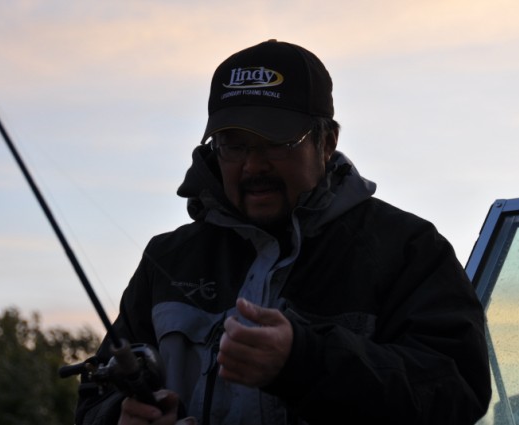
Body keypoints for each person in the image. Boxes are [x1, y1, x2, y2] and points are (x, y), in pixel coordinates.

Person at [75, 39, 491, 425]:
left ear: (327, 142)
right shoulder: (166, 258)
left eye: (276, 142)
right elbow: (93, 399)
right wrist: (119, 417)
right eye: (234, 144)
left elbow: (457, 393)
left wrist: (305, 362)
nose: (253, 165)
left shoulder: (409, 248)